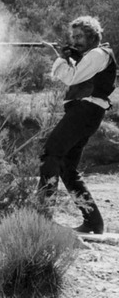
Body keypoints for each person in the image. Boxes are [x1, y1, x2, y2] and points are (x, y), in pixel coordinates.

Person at [39, 16, 116, 234]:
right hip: (85, 112)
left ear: (94, 36)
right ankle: (93, 222)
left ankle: (41, 217)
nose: (76, 40)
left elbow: (72, 78)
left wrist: (58, 59)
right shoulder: (92, 56)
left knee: (50, 154)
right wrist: (68, 58)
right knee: (66, 167)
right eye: (73, 36)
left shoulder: (97, 54)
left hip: (85, 111)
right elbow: (80, 76)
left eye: (80, 36)